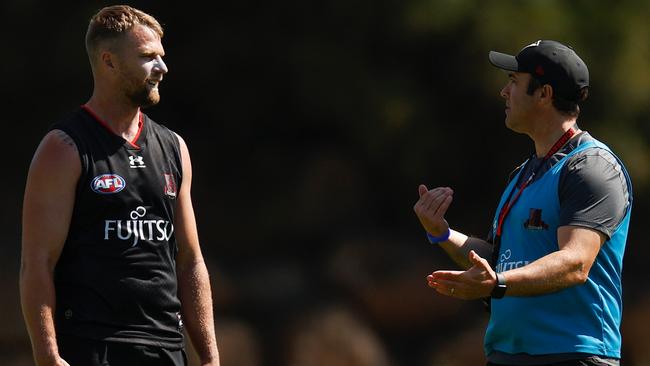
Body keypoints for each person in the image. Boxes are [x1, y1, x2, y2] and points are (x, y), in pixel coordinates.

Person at [20, 5, 219, 366]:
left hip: (165, 347)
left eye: (161, 56)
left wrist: (209, 356)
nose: (162, 68)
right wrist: (48, 355)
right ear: (109, 61)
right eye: (147, 57)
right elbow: (37, 262)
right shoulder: (64, 148)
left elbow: (191, 260)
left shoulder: (174, 147)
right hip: (93, 345)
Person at [414, 40, 632, 366]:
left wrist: (498, 283)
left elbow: (575, 262)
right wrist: (443, 233)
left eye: (514, 82)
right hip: (508, 355)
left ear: (544, 94)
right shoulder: (525, 173)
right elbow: (500, 261)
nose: (504, 92)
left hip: (572, 355)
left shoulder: (591, 167)